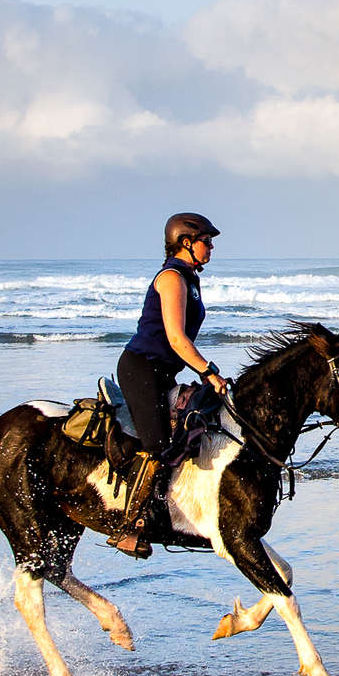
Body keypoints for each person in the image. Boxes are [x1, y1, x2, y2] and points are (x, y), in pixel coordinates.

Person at [111, 212, 230, 556]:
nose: (210, 248)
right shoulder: (172, 278)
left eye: (210, 242)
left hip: (162, 372)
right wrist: (209, 372)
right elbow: (177, 339)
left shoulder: (190, 278)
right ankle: (131, 526)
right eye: (206, 241)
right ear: (185, 242)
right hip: (141, 369)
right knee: (159, 443)